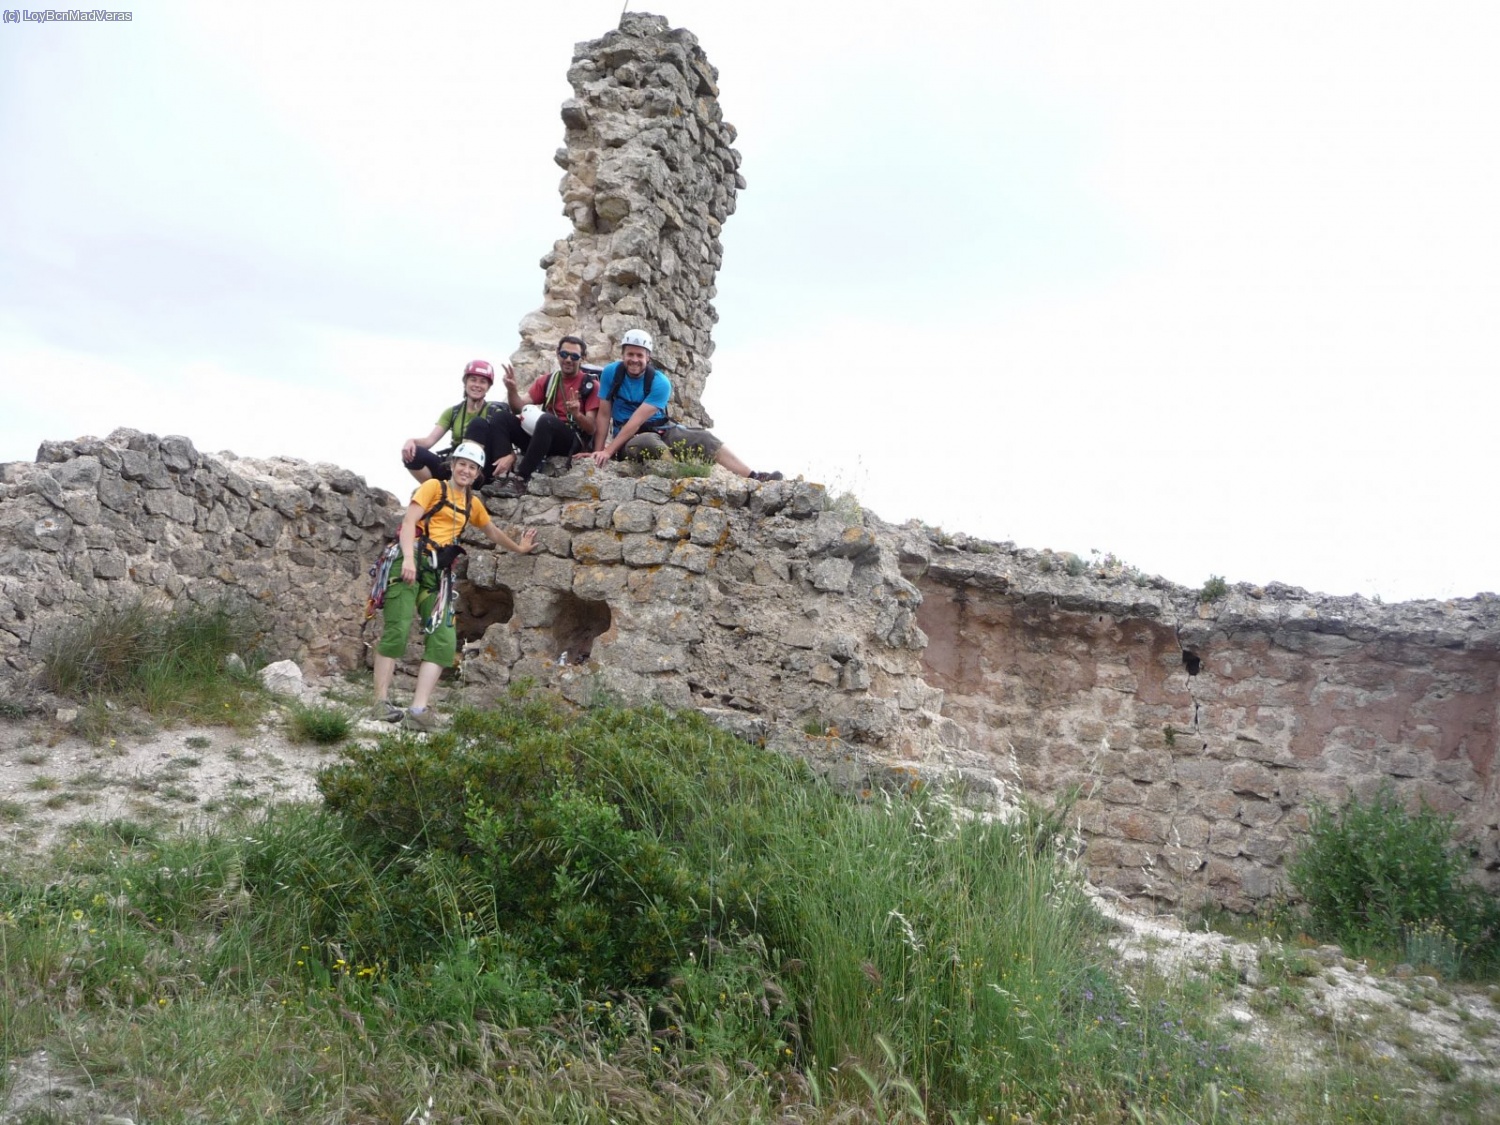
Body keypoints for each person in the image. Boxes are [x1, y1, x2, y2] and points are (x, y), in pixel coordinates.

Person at [370, 440, 537, 731]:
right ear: (453, 465)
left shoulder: (472, 504)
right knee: (397, 629)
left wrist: (520, 549)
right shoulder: (433, 488)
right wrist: (408, 558)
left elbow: (492, 531)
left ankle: (418, 711)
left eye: (472, 467)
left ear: (476, 474)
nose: (466, 470)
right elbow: (410, 522)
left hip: (437, 574)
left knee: (444, 640)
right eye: (462, 463)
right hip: (409, 562)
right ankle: (380, 703)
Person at [577, 328, 781, 481]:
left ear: (648, 357)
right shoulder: (612, 373)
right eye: (630, 354)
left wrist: (607, 451)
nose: (634, 360)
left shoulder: (660, 382)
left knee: (704, 438)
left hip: (661, 429)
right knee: (647, 442)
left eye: (640, 355)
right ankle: (682, 478)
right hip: (628, 438)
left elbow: (638, 420)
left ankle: (754, 476)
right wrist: (601, 450)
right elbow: (604, 415)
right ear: (623, 355)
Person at [484, 336, 603, 497]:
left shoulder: (591, 386)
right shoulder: (547, 381)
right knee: (501, 417)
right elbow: (518, 407)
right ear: (557, 354)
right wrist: (512, 390)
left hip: (569, 440)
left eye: (574, 356)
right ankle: (500, 474)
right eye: (564, 354)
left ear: (582, 358)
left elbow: (591, 428)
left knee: (547, 420)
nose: (568, 359)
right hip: (542, 435)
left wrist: (577, 414)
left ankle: (521, 479)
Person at [400, 359, 507, 486]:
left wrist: (510, 456)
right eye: (473, 379)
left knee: (478, 423)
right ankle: (438, 491)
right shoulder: (453, 412)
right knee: (413, 454)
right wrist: (411, 441)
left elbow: (505, 444)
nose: (477, 385)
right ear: (465, 382)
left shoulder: (494, 412)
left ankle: (463, 485)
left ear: (488, 387)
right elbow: (429, 441)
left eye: (483, 382)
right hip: (454, 467)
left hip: (480, 470)